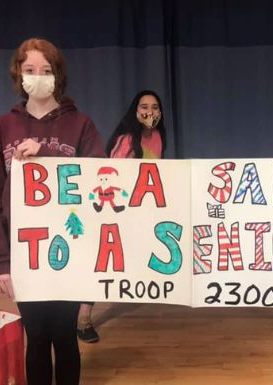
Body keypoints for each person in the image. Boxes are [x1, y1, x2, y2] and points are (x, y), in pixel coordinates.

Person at [0, 38, 106, 385]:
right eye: (30, 70)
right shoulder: (2, 126)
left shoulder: (81, 125)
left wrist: (47, 154)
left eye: (46, 71)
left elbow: (100, 183)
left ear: (58, 76)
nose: (38, 77)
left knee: (64, 337)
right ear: (18, 75)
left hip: (70, 251)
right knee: (36, 338)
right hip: (24, 256)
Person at [77, 90, 167, 342]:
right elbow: (112, 173)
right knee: (103, 262)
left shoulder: (159, 137)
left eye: (155, 107)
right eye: (144, 107)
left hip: (140, 211)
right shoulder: (127, 139)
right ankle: (83, 320)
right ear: (135, 111)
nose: (150, 112)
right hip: (115, 211)